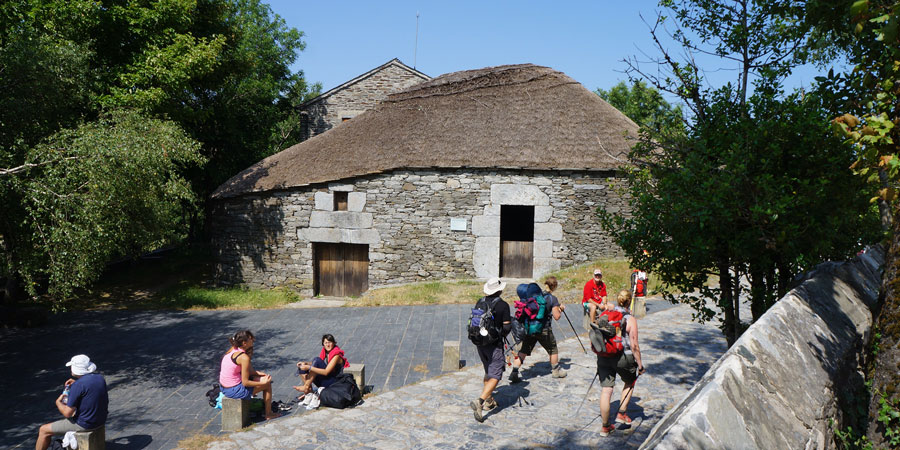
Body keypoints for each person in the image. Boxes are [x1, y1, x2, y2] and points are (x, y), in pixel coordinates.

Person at [596, 290, 645, 437]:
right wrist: (640, 365)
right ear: (629, 302)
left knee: (606, 390)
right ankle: (622, 413)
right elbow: (634, 345)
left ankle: (605, 427)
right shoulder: (630, 319)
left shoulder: (606, 314)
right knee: (630, 381)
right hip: (623, 356)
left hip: (604, 355)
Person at [35, 355, 108, 450]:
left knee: (43, 430)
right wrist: (76, 383)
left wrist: (58, 403)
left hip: (85, 424)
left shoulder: (78, 385)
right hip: (100, 419)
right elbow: (88, 388)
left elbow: (67, 413)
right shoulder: (99, 378)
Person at [470, 277, 512, 423]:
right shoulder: (503, 305)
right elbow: (506, 327)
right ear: (500, 290)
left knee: (489, 370)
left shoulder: (480, 301)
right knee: (496, 374)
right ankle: (480, 401)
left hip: (480, 342)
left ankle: (489, 401)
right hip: (494, 344)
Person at [509, 277, 567, 383]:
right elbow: (557, 316)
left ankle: (514, 372)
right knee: (553, 350)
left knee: (523, 351)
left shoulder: (534, 296)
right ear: (555, 286)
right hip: (544, 329)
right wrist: (561, 309)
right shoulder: (552, 299)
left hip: (530, 328)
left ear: (545, 284)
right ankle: (556, 371)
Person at [219, 329, 279, 420]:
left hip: (223, 387)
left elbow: (248, 371)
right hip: (233, 390)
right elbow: (245, 382)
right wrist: (262, 383)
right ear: (244, 343)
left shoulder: (233, 349)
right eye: (250, 339)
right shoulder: (244, 357)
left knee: (261, 378)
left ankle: (267, 410)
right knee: (267, 384)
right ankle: (268, 413)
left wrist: (257, 374)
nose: (253, 340)